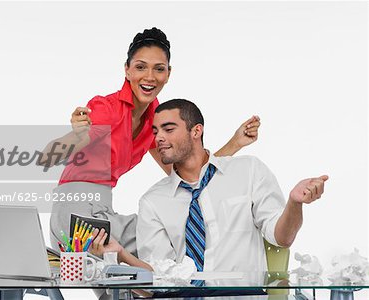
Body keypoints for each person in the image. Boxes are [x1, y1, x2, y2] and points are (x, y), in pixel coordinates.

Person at [41, 28, 261, 255]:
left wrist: (235, 143)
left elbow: (189, 172)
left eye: (159, 69)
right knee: (159, 232)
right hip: (76, 214)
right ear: (127, 70)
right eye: (140, 67)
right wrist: (76, 135)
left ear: (168, 73)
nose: (149, 77)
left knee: (130, 282)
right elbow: (47, 158)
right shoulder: (107, 110)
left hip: (101, 213)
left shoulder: (154, 122)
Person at [90, 99, 328, 280]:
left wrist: (294, 203)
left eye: (169, 129)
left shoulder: (249, 171)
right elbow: (160, 277)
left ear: (196, 131)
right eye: (155, 132)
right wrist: (122, 255)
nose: (159, 138)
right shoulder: (153, 201)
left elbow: (281, 237)